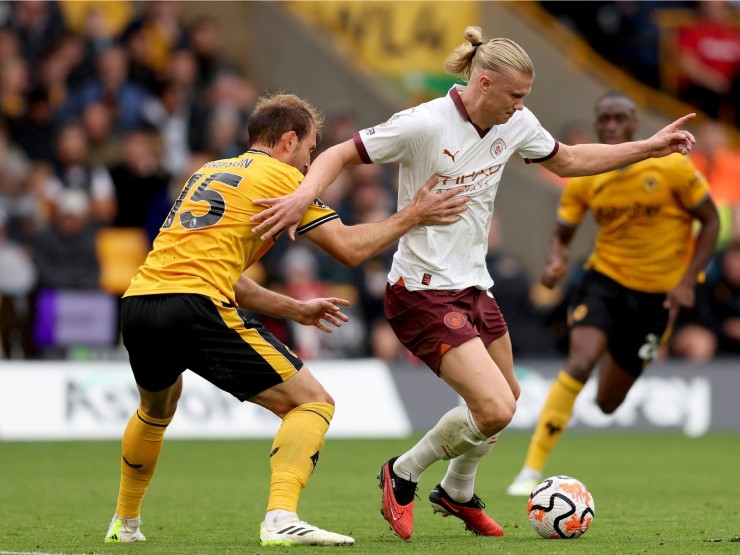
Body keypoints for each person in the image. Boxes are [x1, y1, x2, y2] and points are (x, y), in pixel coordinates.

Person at [249, 26, 700, 541]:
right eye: (515, 96)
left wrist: (650, 147)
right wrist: (300, 196)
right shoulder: (423, 123)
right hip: (421, 290)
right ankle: (403, 473)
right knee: (495, 407)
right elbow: (338, 155)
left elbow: (570, 161)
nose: (521, 106)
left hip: (473, 287)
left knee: (503, 403)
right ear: (484, 83)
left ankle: (456, 491)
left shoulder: (516, 123)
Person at [102, 92, 467, 547]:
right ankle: (281, 517)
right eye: (311, 150)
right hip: (195, 307)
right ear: (289, 140)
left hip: (140, 303)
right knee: (312, 402)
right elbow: (350, 249)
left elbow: (226, 274)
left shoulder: (209, 172)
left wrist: (297, 309)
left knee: (155, 410)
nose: (310, 163)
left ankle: (125, 523)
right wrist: (414, 214)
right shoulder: (282, 178)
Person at [506, 92, 719, 496]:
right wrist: (556, 261)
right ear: (597, 123)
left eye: (620, 118)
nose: (611, 126)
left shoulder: (672, 166)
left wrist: (689, 279)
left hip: (657, 297)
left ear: (634, 122)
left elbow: (710, 222)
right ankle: (530, 471)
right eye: (604, 119)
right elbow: (561, 236)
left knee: (607, 403)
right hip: (604, 281)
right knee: (580, 360)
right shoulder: (587, 173)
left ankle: (621, 363)